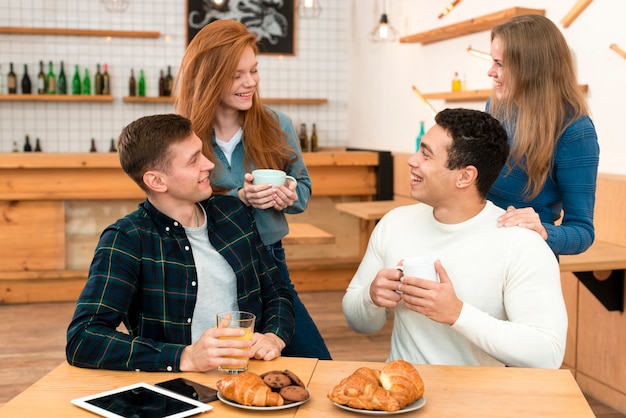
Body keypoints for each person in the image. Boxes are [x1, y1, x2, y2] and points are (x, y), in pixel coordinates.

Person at [66, 114, 295, 372]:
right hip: (176, 390)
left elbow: (277, 292)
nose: (209, 164)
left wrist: (273, 336)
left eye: (203, 153)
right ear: (157, 181)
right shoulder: (127, 239)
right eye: (194, 160)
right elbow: (83, 338)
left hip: (251, 374)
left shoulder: (235, 214)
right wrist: (184, 357)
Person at [342, 108, 568, 369]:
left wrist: (456, 313)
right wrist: (371, 297)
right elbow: (359, 323)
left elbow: (547, 354)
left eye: (426, 154)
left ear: (464, 177)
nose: (412, 160)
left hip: (480, 403)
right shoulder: (395, 223)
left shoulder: (520, 243)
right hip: (401, 393)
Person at [174, 19, 331, 359]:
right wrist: (238, 198)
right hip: (211, 261)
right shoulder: (184, 134)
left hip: (269, 257)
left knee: (312, 359)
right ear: (210, 76)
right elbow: (175, 203)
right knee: (229, 361)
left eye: (254, 71)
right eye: (237, 75)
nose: (250, 83)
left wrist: (289, 194)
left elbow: (302, 190)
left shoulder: (278, 125)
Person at [486, 14, 600, 256]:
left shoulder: (575, 131)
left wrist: (543, 231)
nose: (490, 72)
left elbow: (582, 231)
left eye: (500, 64)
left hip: (525, 259)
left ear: (529, 68)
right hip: (483, 245)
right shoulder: (496, 107)